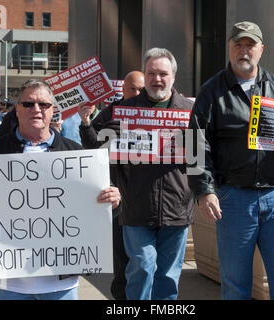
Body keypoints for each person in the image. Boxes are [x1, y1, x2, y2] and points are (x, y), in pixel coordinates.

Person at [0, 79, 121, 300]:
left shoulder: (75, 155)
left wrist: (114, 200)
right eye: (28, 104)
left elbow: (104, 206)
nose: (36, 109)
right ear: (17, 110)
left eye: (43, 104)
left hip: (61, 283)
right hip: (7, 282)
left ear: (52, 111)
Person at [188, 21, 274, 300]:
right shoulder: (211, 92)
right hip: (233, 199)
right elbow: (195, 145)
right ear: (229, 48)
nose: (244, 51)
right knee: (235, 282)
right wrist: (204, 190)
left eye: (250, 45)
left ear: (261, 50)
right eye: (238, 45)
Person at [79, 48, 194, 300]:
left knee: (168, 276)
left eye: (163, 73)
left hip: (177, 208)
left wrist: (206, 191)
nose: (157, 79)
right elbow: (97, 148)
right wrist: (86, 122)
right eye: (151, 73)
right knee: (141, 266)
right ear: (146, 75)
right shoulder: (123, 110)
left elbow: (201, 161)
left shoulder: (189, 111)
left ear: (173, 77)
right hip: (136, 207)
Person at [79, 70, 144, 300]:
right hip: (120, 195)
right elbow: (91, 144)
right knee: (122, 255)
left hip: (149, 196)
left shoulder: (156, 110)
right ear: (123, 90)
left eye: (140, 89)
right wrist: (86, 122)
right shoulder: (111, 112)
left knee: (144, 260)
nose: (137, 93)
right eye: (132, 89)